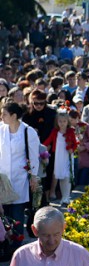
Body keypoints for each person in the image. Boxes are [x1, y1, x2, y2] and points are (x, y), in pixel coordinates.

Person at [0, 101, 42, 237]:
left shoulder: (28, 131)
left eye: (4, 114)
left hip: (20, 178)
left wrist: (33, 177)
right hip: (3, 179)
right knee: (3, 213)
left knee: (17, 212)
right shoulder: (1, 129)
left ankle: (17, 241)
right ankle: (5, 241)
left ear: (13, 116)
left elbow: (34, 156)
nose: (1, 116)